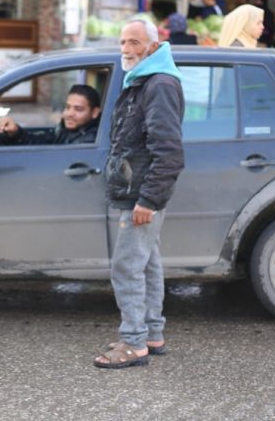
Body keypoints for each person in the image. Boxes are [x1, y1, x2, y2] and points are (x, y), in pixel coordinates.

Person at [94, 19, 185, 369]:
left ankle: (133, 343)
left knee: (126, 266)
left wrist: (148, 199)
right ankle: (151, 334)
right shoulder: (144, 79)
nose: (127, 49)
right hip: (136, 190)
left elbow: (169, 151)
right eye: (122, 42)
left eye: (135, 42)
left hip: (141, 195)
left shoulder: (158, 83)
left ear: (153, 45)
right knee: (146, 263)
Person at [0, 84, 101, 145]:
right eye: (67, 107)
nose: (69, 114)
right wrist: (15, 132)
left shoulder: (88, 142)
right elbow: (43, 142)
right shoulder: (67, 130)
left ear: (95, 112)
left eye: (78, 109)